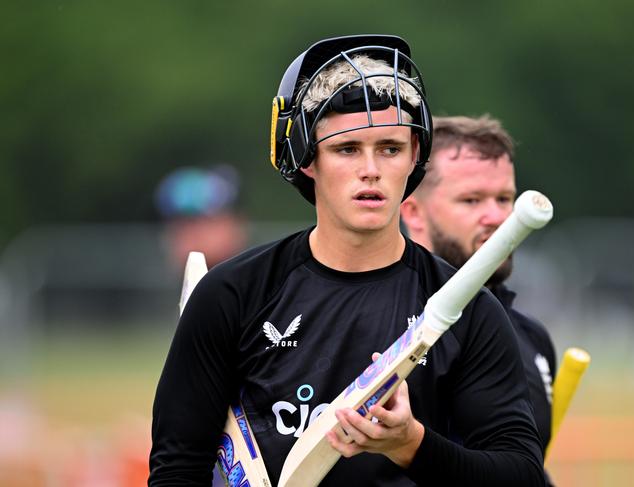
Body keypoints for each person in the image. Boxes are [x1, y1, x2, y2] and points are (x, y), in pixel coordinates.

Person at [149, 35, 545, 486]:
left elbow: (522, 477)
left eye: (391, 148)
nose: (371, 169)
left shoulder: (470, 312)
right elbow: (176, 470)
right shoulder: (232, 296)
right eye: (347, 149)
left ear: (415, 156)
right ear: (306, 158)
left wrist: (411, 445)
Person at [400, 114, 556, 481]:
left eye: (504, 198)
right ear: (414, 212)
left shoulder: (531, 336)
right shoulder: (390, 327)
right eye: (472, 200)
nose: (498, 216)